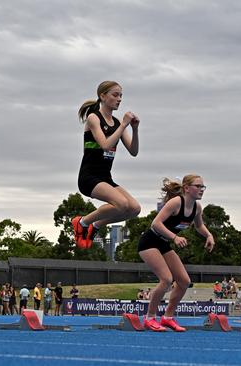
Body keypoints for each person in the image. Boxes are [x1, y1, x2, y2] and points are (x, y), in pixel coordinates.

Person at [138, 175, 215, 332]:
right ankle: (150, 318)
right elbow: (156, 223)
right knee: (166, 279)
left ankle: (167, 317)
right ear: (187, 188)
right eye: (198, 186)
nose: (201, 190)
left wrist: (209, 235)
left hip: (164, 243)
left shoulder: (197, 208)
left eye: (203, 187)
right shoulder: (175, 203)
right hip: (149, 243)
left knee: (184, 281)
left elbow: (199, 226)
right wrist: (175, 237)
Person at [71, 81, 141, 249]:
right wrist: (123, 124)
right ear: (103, 96)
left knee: (134, 209)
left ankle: (94, 226)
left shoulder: (117, 123)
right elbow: (105, 144)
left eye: (121, 96)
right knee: (122, 204)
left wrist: (135, 129)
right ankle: (82, 222)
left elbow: (133, 151)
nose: (119, 99)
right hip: (89, 177)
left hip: (105, 178)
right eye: (115, 95)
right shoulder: (94, 117)